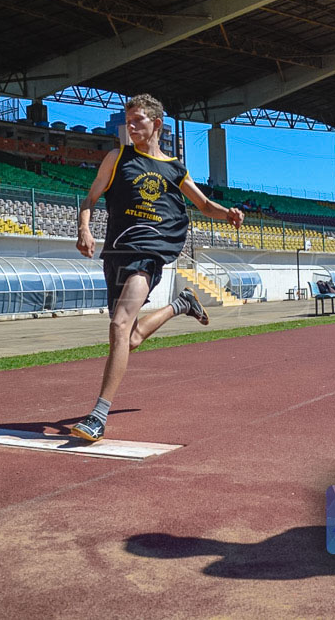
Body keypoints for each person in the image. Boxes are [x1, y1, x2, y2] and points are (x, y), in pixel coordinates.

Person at [71, 94, 244, 441]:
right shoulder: (117, 157)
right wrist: (84, 229)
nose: (130, 126)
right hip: (116, 253)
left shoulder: (174, 168)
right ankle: (182, 305)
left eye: (138, 120)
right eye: (128, 120)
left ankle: (98, 416)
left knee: (119, 326)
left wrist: (227, 213)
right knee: (129, 337)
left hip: (147, 254)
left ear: (157, 124)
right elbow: (90, 198)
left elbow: (203, 203)